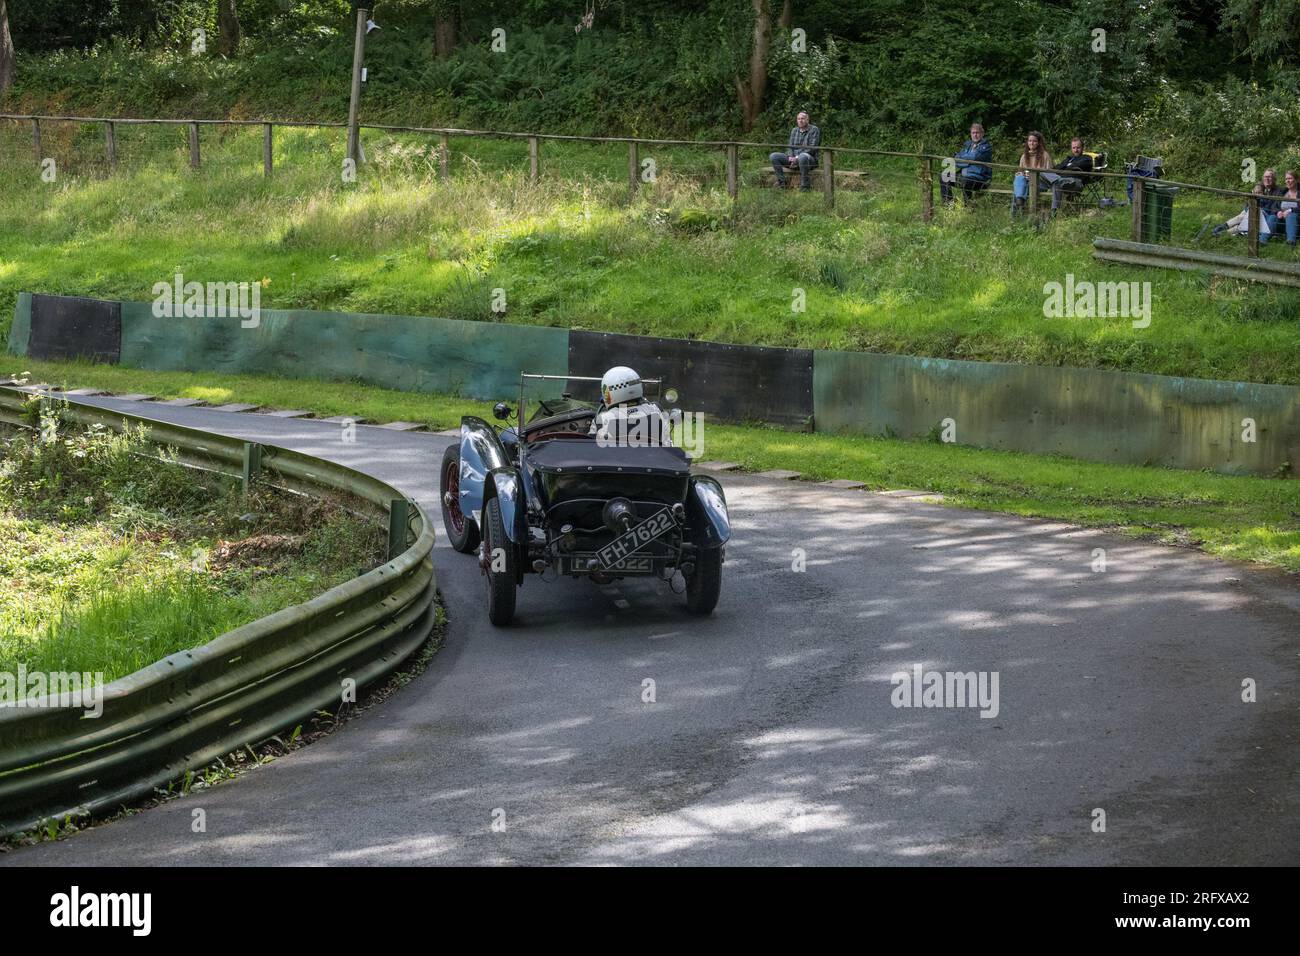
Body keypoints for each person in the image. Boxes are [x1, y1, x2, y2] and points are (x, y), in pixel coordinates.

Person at [591, 366, 673, 447]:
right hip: (655, 458)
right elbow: (668, 444)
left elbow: (590, 448)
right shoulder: (657, 410)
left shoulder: (601, 419)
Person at [1207, 169, 1283, 240]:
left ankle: (1223, 228)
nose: (1267, 179)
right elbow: (1251, 200)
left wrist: (1260, 210)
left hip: (1268, 217)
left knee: (1246, 215)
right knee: (1244, 217)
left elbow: (1275, 208)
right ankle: (1222, 232)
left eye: (1270, 177)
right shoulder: (1261, 187)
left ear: (1274, 179)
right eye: (1266, 177)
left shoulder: (1278, 191)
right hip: (1255, 212)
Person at [940, 122, 993, 204]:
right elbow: (957, 159)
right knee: (944, 176)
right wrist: (968, 161)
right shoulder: (968, 145)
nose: (975, 135)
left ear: (982, 134)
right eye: (973, 133)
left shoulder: (986, 146)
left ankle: (968, 206)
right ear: (970, 134)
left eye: (977, 133)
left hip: (980, 178)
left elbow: (975, 157)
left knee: (966, 180)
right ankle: (948, 203)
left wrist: (964, 159)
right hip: (964, 174)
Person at [769, 112, 821, 190]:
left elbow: (812, 148)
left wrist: (797, 158)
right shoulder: (794, 130)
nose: (800, 121)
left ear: (807, 119)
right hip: (793, 159)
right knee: (774, 156)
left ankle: (805, 187)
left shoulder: (814, 129)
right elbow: (790, 147)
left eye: (803, 118)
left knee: (802, 157)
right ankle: (782, 183)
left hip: (809, 160)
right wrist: (790, 156)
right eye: (798, 119)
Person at [1043, 137, 1093, 214]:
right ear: (1071, 148)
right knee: (1043, 173)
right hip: (1061, 180)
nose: (1076, 150)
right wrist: (1064, 168)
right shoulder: (1069, 159)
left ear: (1082, 148)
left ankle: (1053, 211)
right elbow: (1056, 168)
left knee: (1056, 182)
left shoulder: (1087, 158)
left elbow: (1073, 167)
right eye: (1074, 148)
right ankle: (1054, 212)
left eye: (1078, 148)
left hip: (1075, 182)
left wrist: (1064, 168)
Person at [1011, 131, 1052, 217]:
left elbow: (1049, 174)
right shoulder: (1024, 156)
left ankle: (1016, 216)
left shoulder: (1045, 155)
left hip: (1040, 183)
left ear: (1039, 142)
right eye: (1029, 141)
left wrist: (1035, 175)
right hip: (1025, 181)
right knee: (1019, 180)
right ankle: (1019, 205)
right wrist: (1021, 174)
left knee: (1019, 191)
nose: (1031, 143)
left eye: (1034, 141)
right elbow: (1020, 171)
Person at [1273, 169, 1299, 247]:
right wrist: (1278, 212)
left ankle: (1291, 242)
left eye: (1290, 178)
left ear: (1297, 180)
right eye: (1286, 179)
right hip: (1282, 223)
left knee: (1291, 215)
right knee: (1272, 217)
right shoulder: (1283, 192)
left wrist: (1290, 210)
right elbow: (1274, 206)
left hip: (1297, 223)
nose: (1288, 181)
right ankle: (1262, 241)